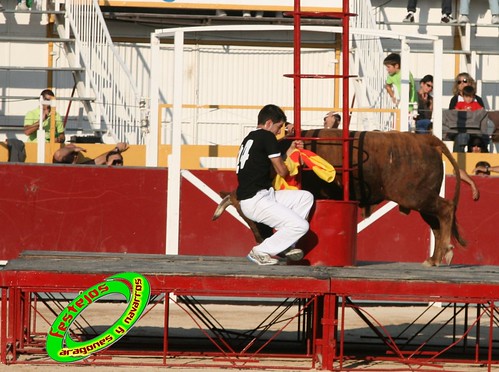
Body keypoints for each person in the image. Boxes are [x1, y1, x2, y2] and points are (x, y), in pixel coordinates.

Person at [236, 104, 314, 266]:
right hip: (256, 200)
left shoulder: (250, 138)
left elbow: (270, 163)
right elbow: (282, 171)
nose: (280, 132)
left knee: (305, 197)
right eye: (279, 127)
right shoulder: (267, 136)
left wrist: (289, 151)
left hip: (262, 196)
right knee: (301, 226)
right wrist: (294, 160)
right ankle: (260, 251)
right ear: (269, 123)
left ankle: (285, 245)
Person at [53, 142, 128, 165]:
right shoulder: (60, 167)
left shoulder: (82, 167)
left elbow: (100, 159)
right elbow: (58, 154)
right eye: (73, 153)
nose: (76, 155)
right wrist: (73, 149)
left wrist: (117, 149)